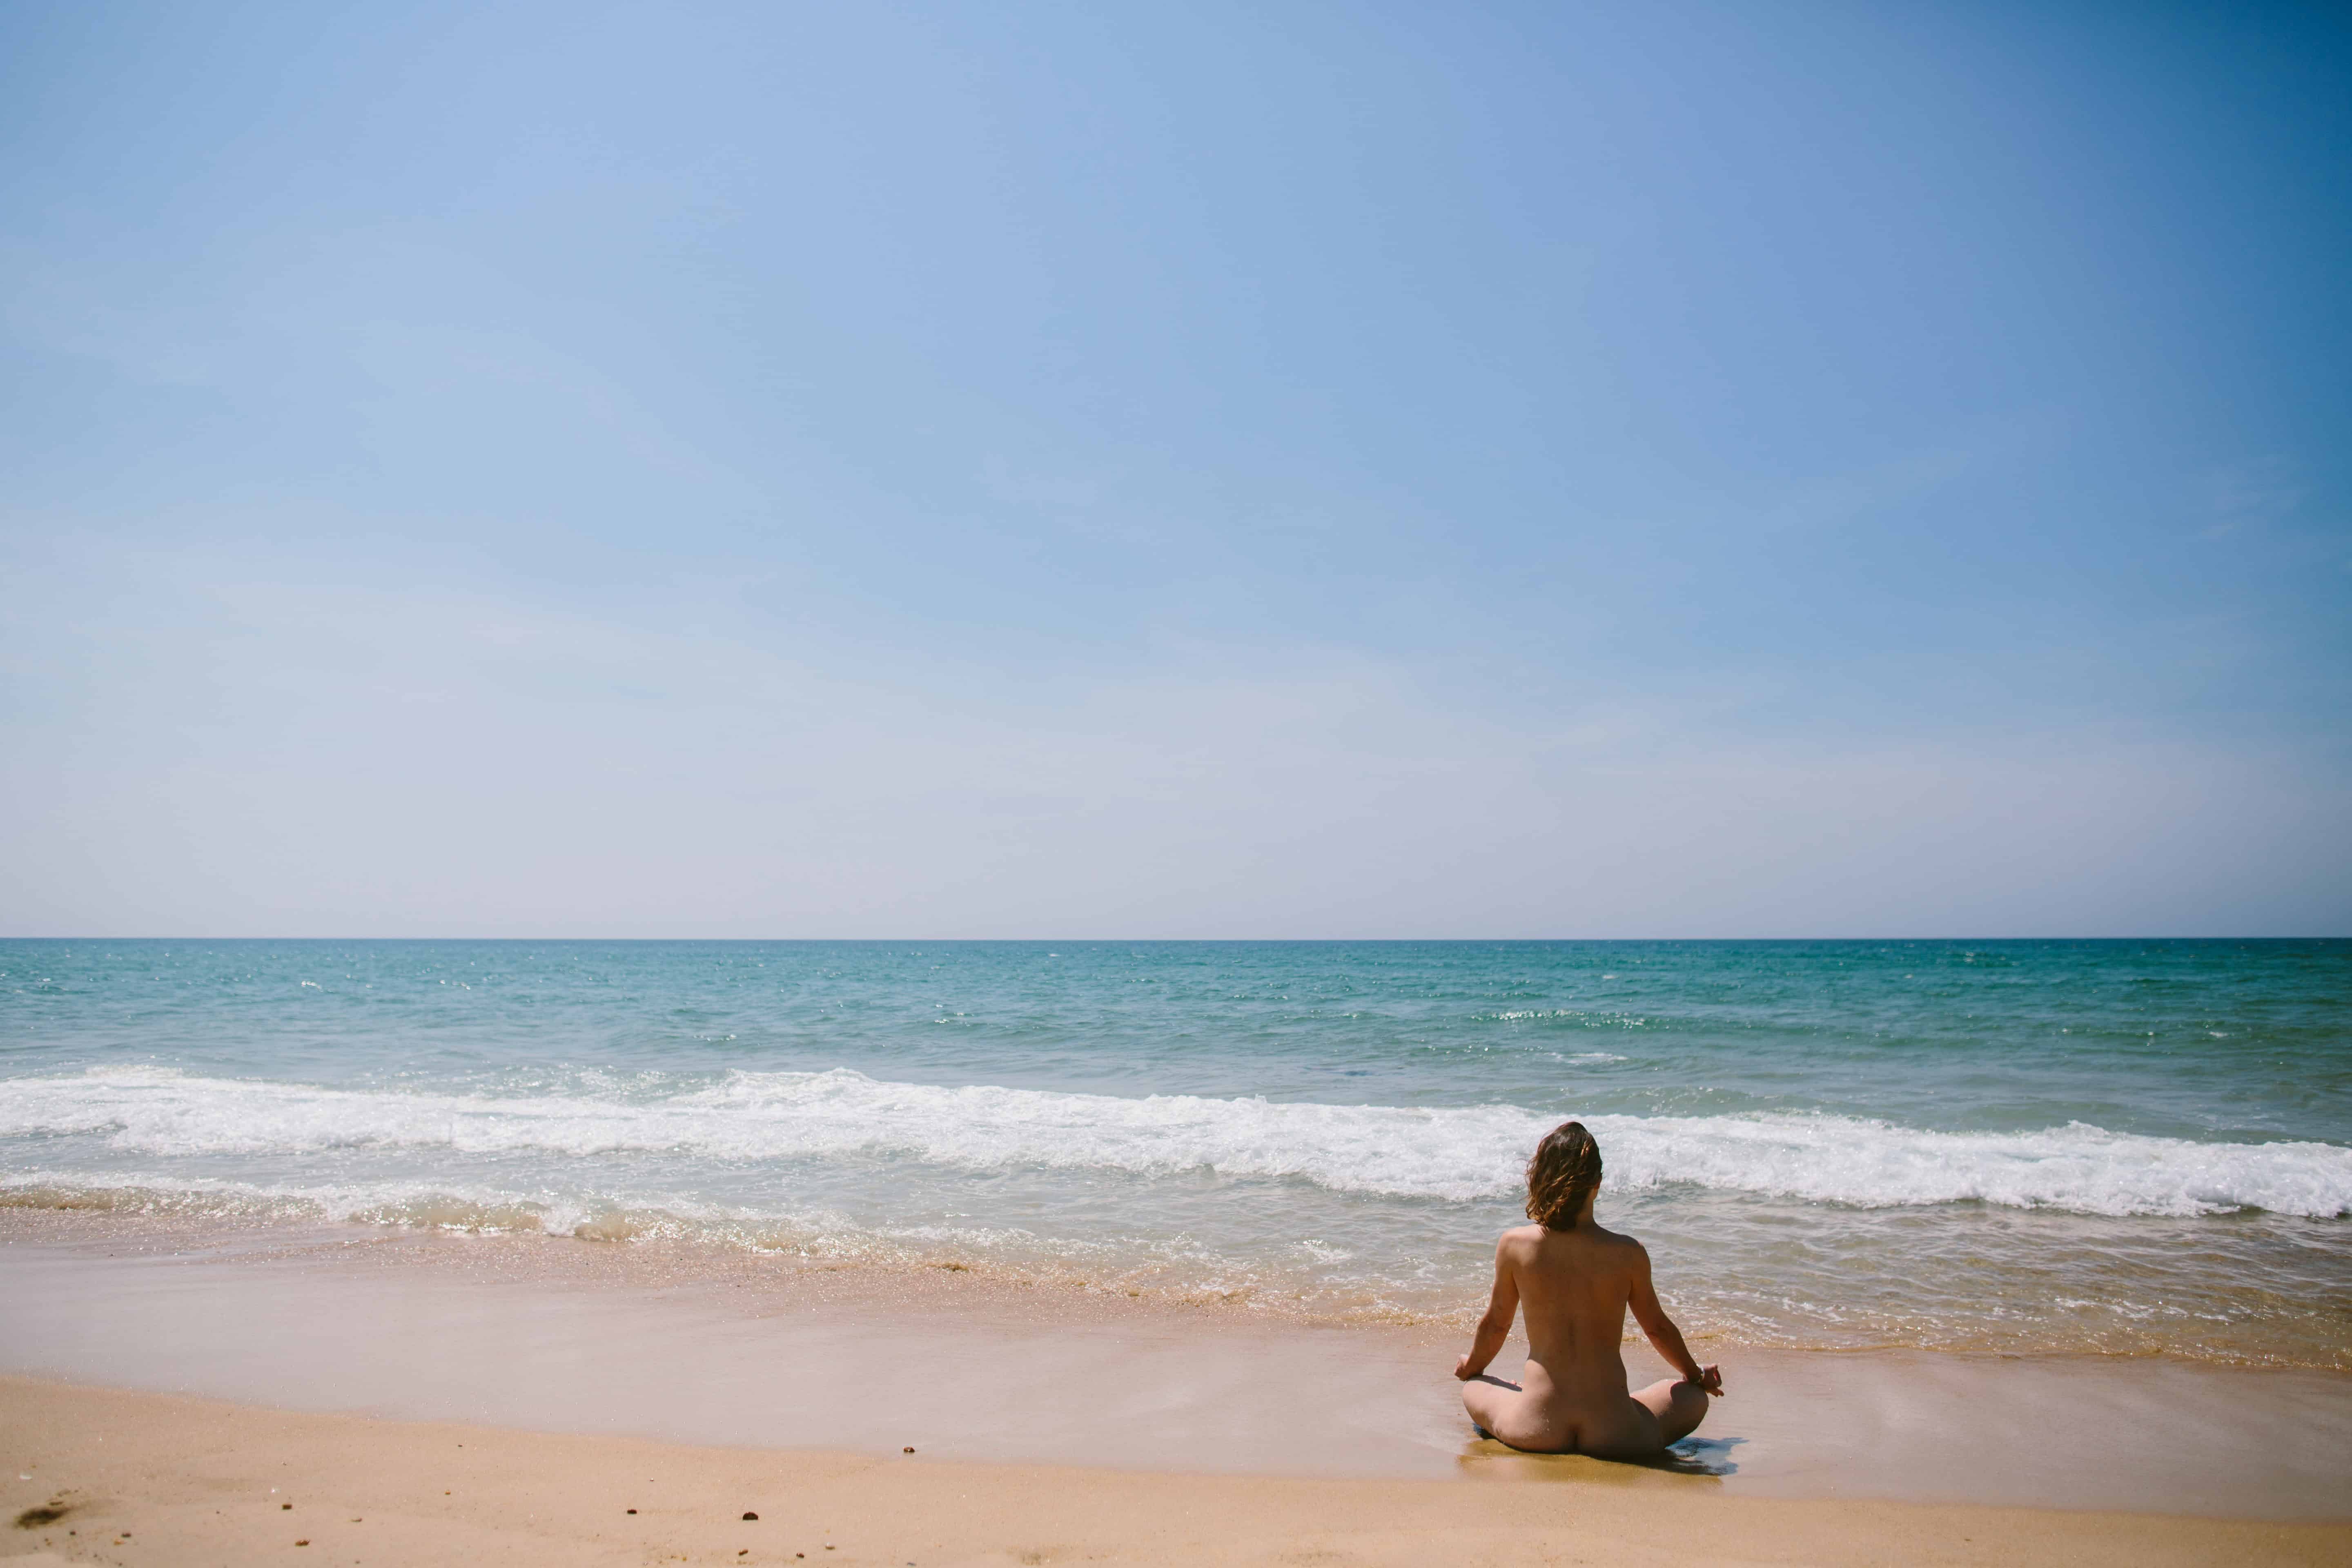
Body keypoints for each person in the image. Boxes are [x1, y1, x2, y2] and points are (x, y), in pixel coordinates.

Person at [1454, 1120, 1724, 1456]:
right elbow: (1657, 1329)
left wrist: (1471, 1367)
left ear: (1539, 1178)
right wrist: (1695, 1375)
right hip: (1616, 1432)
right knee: (1691, 1396)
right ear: (1597, 1183)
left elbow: (1496, 1324)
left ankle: (1523, 1394)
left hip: (1536, 1427)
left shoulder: (1515, 1245)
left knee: (1476, 1387)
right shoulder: (1628, 1252)